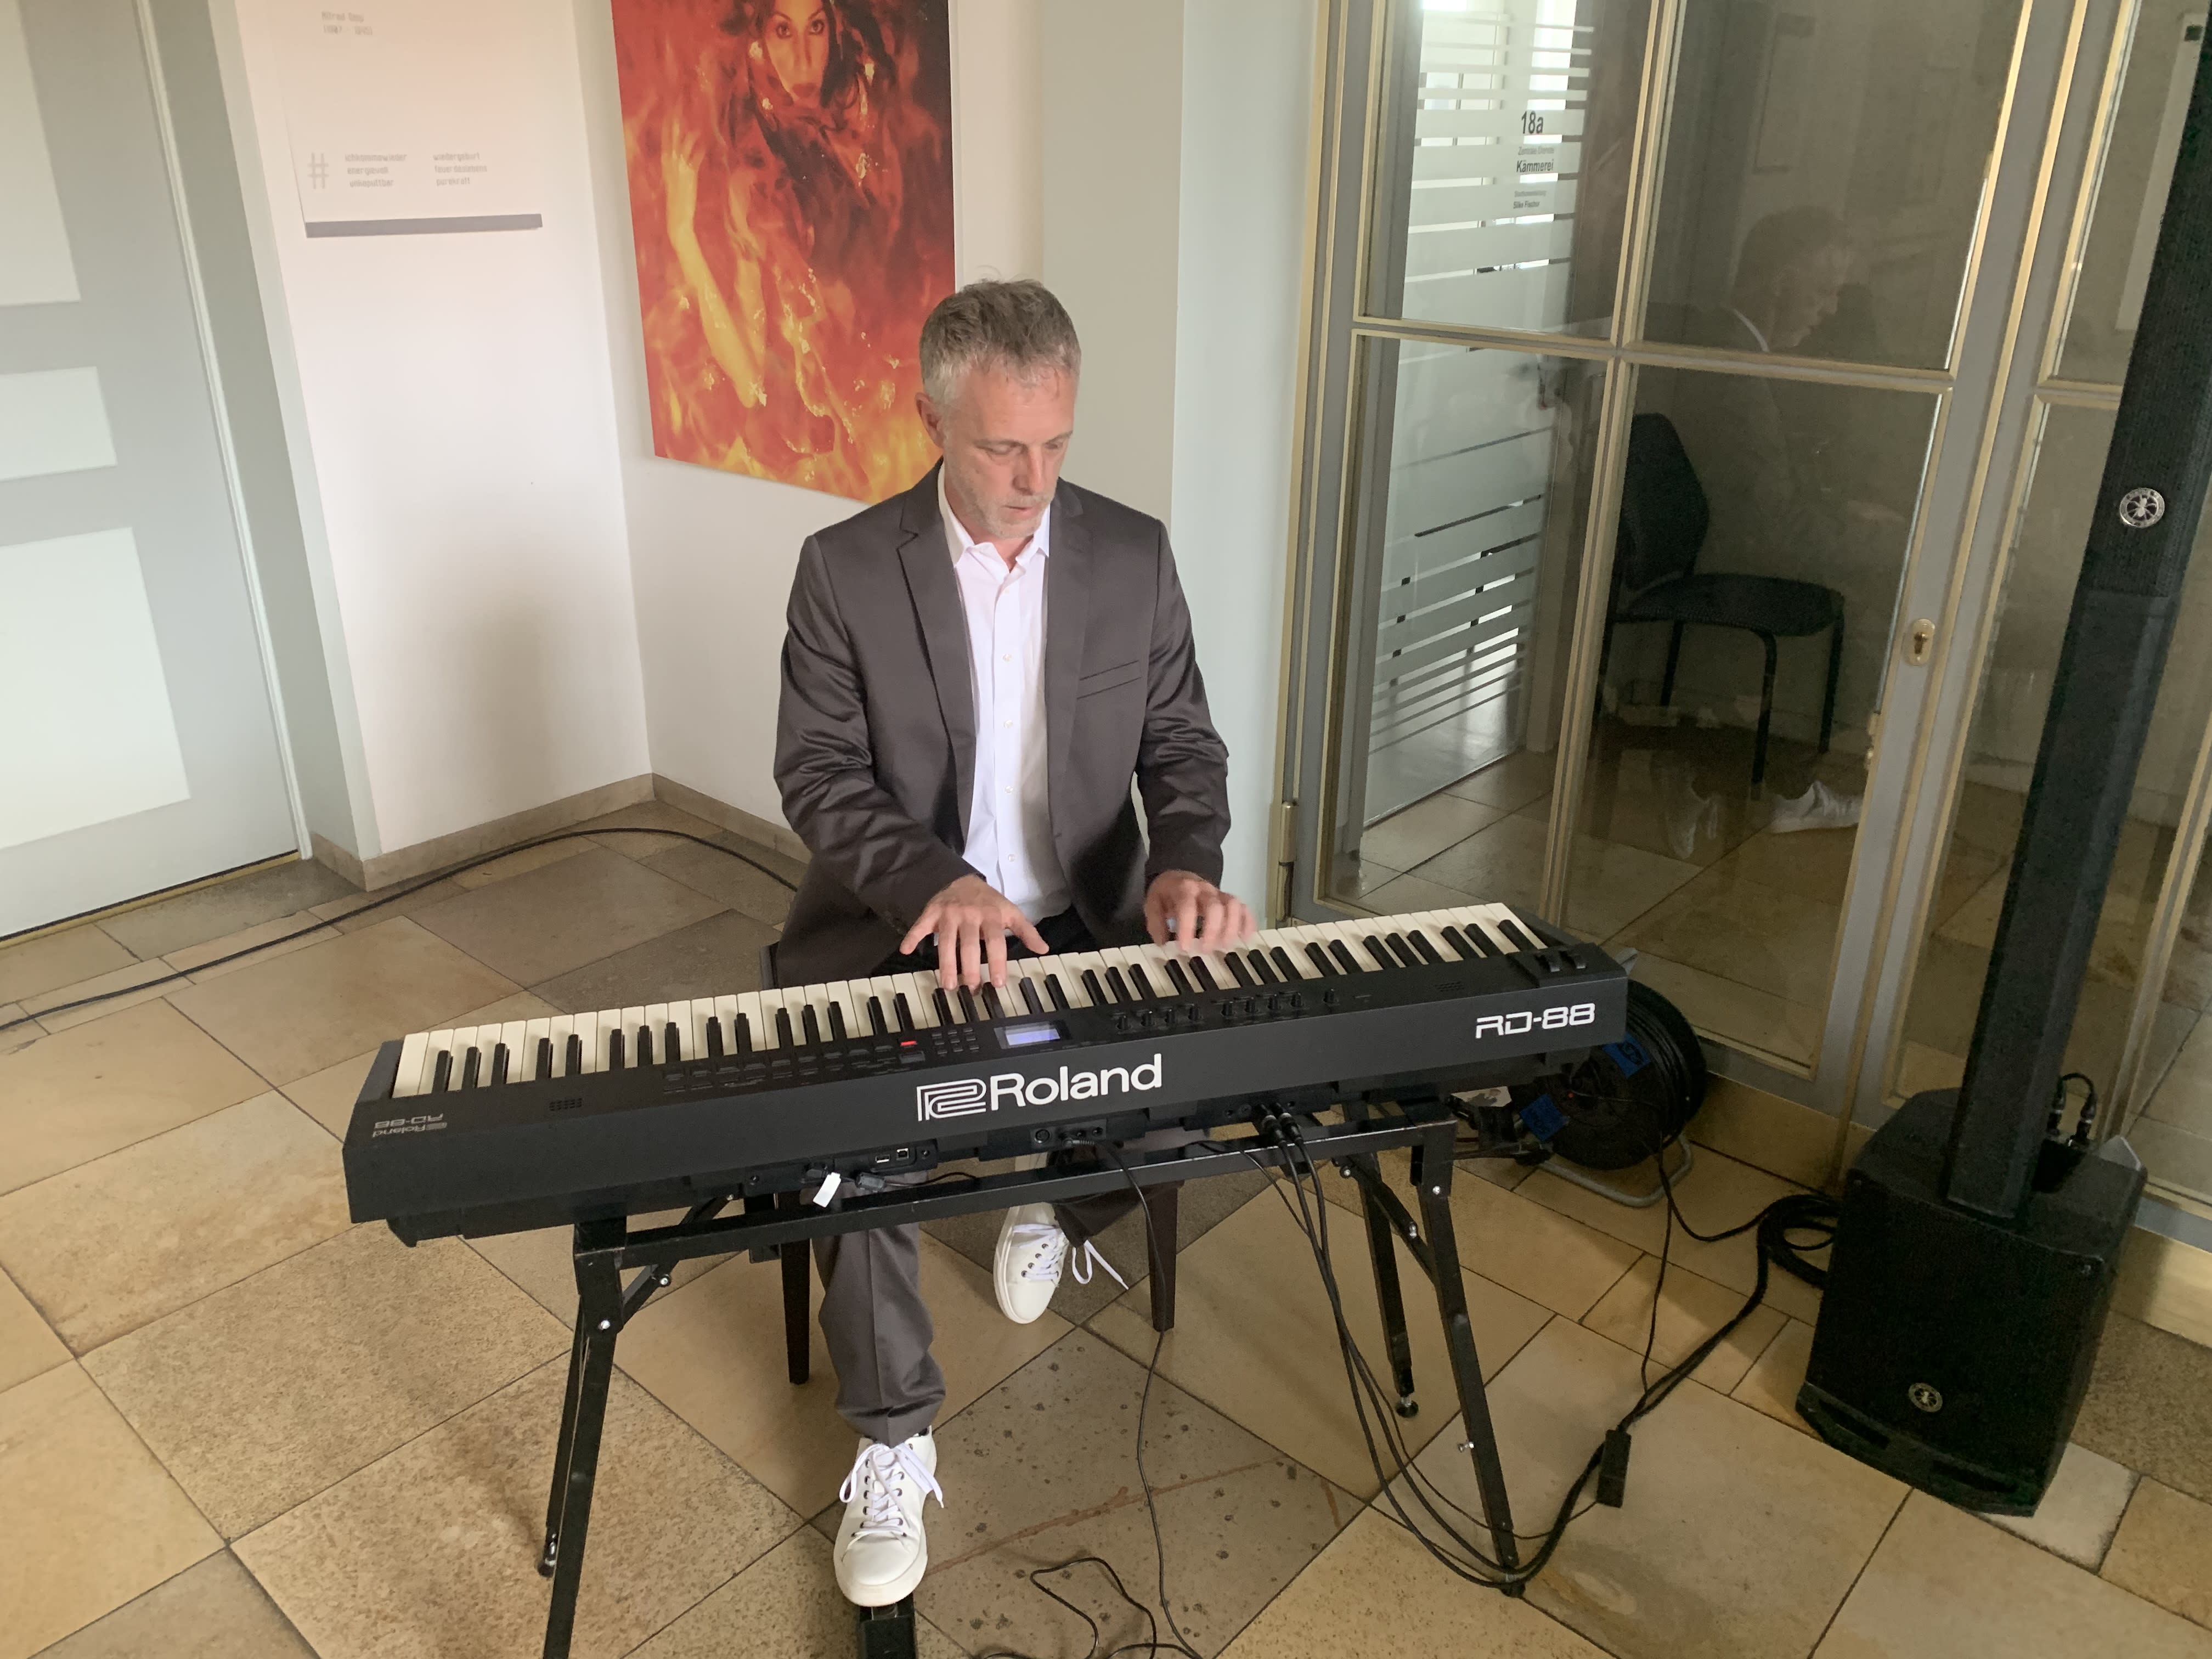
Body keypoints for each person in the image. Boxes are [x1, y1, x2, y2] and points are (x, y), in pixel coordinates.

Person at [773, 279, 1257, 1606]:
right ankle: (892, 1436)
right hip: (902, 922)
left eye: (1056, 444)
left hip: (1081, 913)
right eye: (1003, 448)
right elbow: (818, 776)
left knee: (1186, 1084)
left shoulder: (1132, 556)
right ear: (931, 420)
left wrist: (1185, 864)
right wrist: (944, 882)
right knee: (866, 1147)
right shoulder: (846, 570)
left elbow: (1182, 744)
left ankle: (1057, 1191)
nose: (1036, 480)